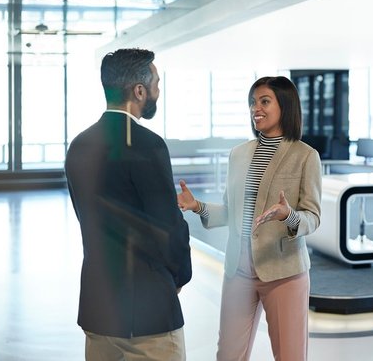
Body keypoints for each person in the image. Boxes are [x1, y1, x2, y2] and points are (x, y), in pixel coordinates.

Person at [177, 76, 322, 361]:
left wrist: (289, 216)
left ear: (285, 106)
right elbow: (231, 214)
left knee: (290, 356)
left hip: (283, 272)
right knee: (228, 355)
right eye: (253, 102)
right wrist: (198, 207)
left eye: (265, 101)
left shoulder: (306, 156)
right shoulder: (239, 155)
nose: (256, 108)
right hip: (238, 270)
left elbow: (313, 217)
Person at [65, 48, 192, 361]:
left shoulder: (79, 145)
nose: (158, 92)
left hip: (98, 309)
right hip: (148, 315)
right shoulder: (148, 145)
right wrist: (179, 277)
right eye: (156, 84)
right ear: (139, 90)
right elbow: (169, 228)